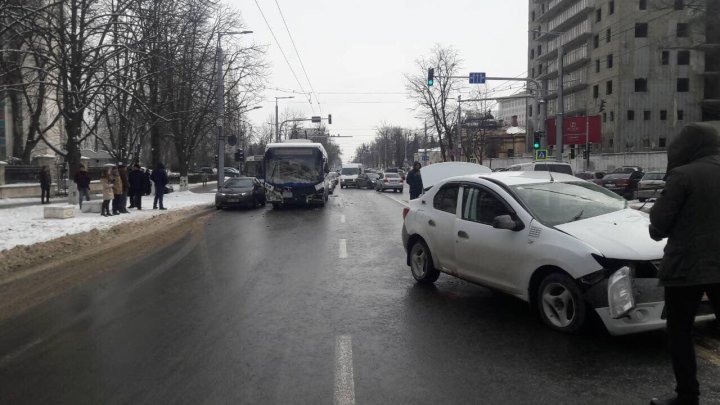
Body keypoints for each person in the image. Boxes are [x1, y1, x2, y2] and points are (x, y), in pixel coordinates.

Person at [648, 123, 720, 405]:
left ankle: (687, 397)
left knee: (680, 331)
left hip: (686, 269)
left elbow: (660, 223)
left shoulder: (683, 175)